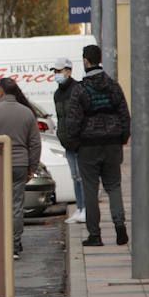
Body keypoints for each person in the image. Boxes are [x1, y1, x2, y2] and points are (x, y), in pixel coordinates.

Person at [58, 44, 131, 247]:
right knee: (114, 187)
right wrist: (122, 138)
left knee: (90, 189)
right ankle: (119, 227)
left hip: (88, 146)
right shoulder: (114, 86)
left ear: (85, 61)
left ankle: (95, 235)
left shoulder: (80, 89)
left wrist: (74, 145)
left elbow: (73, 121)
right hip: (112, 144)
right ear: (99, 59)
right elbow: (125, 115)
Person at [0, 77, 42, 259]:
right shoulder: (27, 113)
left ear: (1, 92)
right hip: (20, 165)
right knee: (16, 206)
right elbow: (35, 143)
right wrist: (32, 167)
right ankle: (14, 244)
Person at [50, 56, 86, 224]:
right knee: (74, 175)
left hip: (80, 140)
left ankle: (85, 208)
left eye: (59, 71)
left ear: (69, 71)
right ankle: (80, 208)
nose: (57, 74)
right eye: (55, 71)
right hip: (68, 142)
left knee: (81, 176)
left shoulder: (77, 89)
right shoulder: (58, 94)